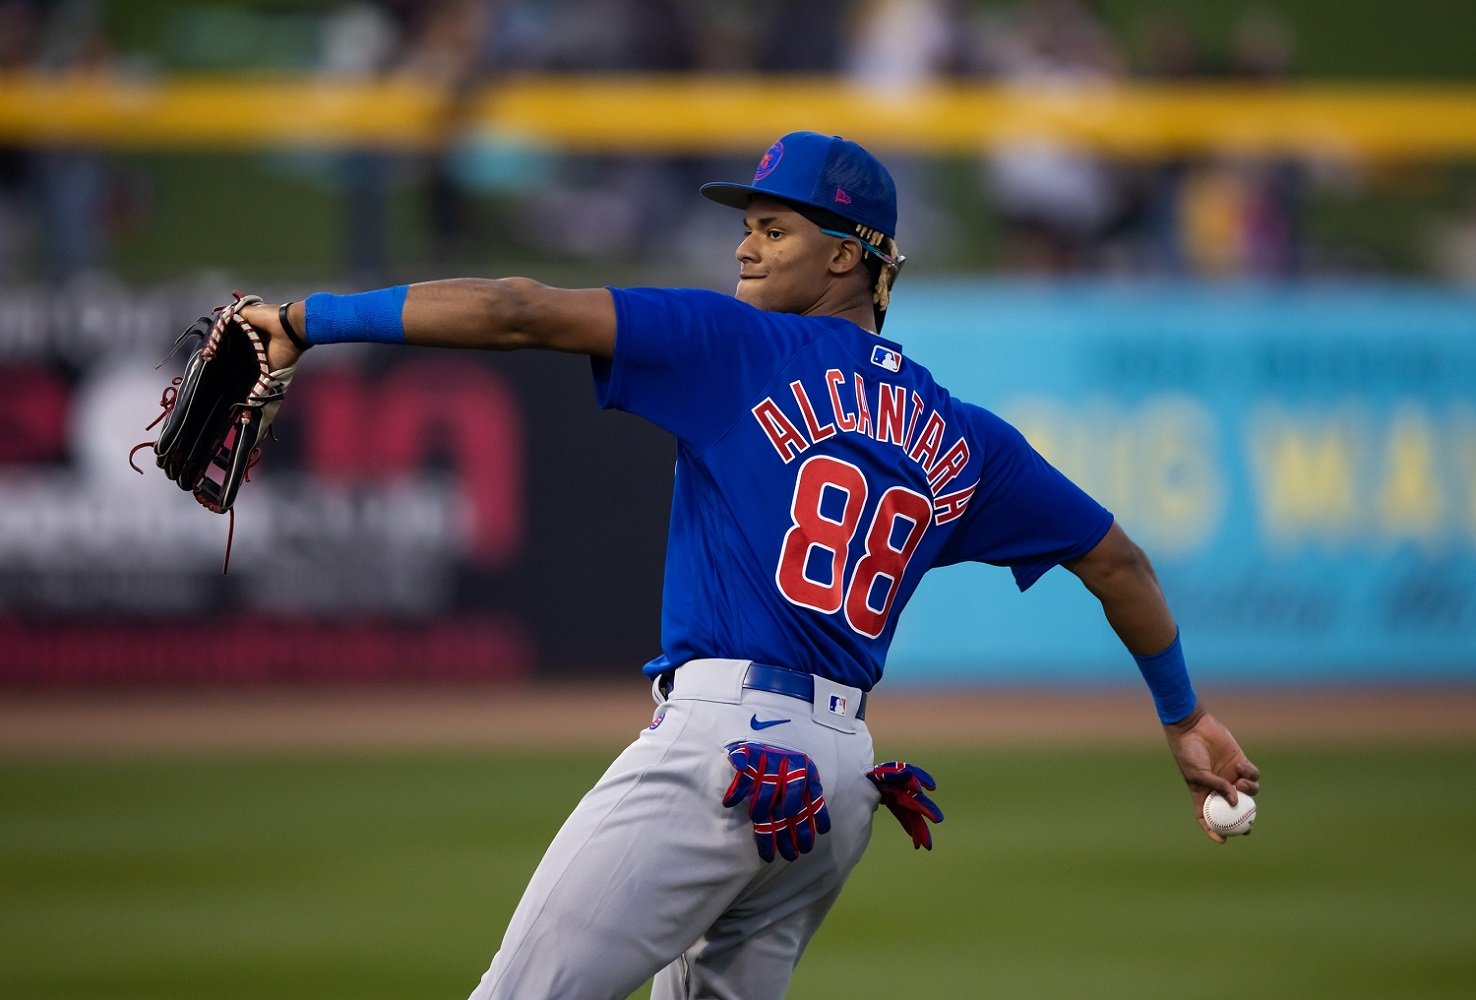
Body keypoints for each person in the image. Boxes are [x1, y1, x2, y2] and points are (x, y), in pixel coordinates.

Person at [237, 130, 1260, 999]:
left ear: (853, 256)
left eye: (777, 229)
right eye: (747, 224)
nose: (746, 245)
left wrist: (303, 321)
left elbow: (516, 307)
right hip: (841, 788)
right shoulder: (964, 435)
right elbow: (1117, 559)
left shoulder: (734, 346)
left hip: (722, 751)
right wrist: (1181, 715)